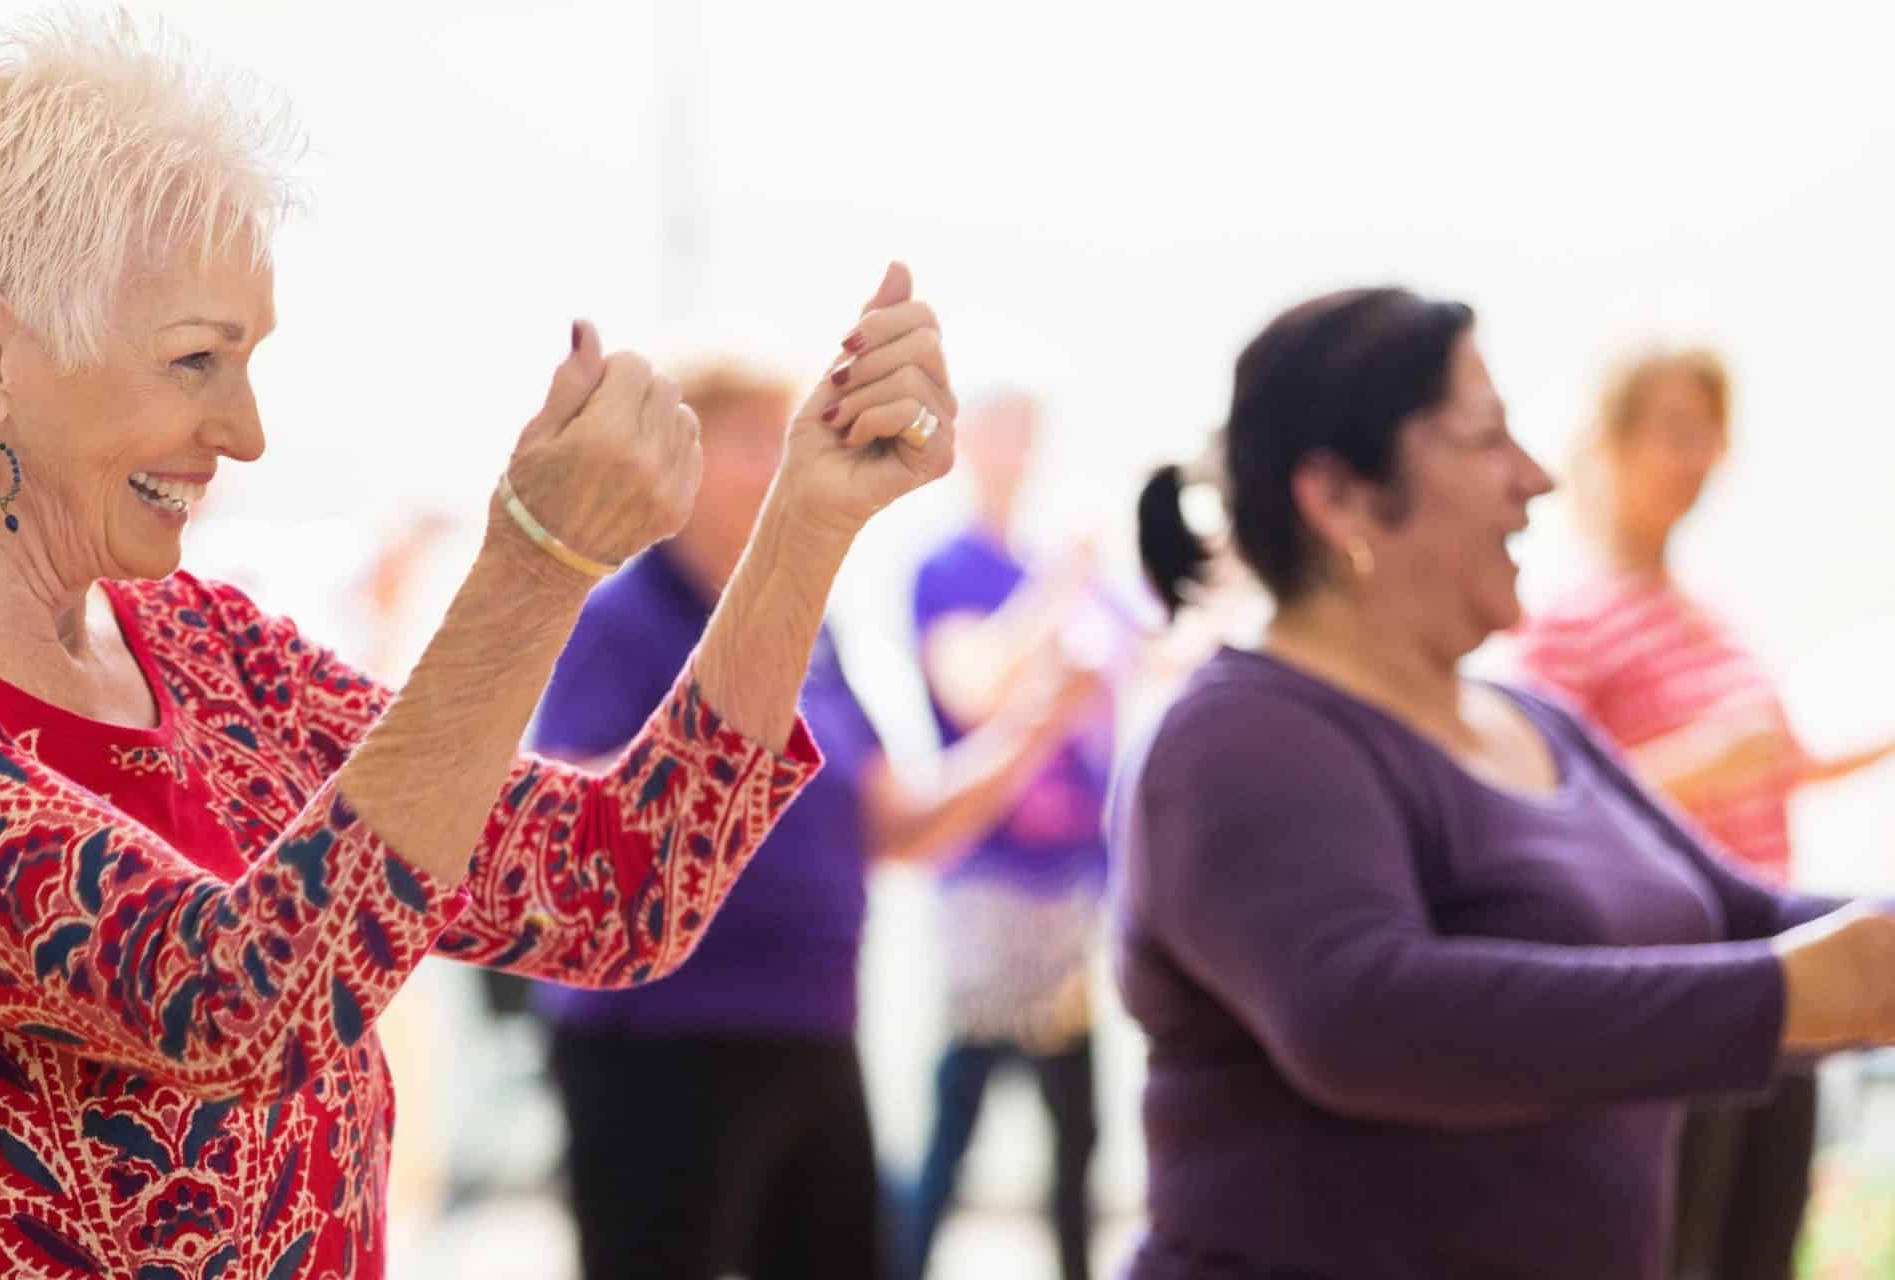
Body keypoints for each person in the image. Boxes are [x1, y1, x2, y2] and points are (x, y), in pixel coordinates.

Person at [0, 15, 961, 1280]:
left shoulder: (206, 647)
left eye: (245, 361)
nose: (244, 430)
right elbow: (239, 1006)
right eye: (195, 359)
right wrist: (532, 567)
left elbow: (614, 886)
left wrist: (806, 521)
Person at [1116, 287, 1895, 1279]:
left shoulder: (1537, 721)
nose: (1536, 478)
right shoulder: (1239, 738)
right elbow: (1364, 1016)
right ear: (1338, 496)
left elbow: (1743, 916)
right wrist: (1778, 997)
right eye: (1486, 438)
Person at [530, 357, 1105, 1280]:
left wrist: (1033, 727)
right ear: (677, 462)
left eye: (787, 440)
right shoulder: (619, 618)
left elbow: (896, 827)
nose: (782, 467)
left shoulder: (810, 630)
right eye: (752, 442)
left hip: (814, 1025)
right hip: (659, 1040)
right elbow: (566, 825)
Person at [1518, 344, 1895, 1280]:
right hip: (1679, 983)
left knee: (1762, 1244)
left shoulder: (1707, 616)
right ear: (1610, 442)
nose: (1696, 460)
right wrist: (1700, 763)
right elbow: (1532, 811)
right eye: (1674, 434)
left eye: (1708, 436)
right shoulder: (1567, 621)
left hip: (1778, 965)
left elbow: (1784, 764)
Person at [898, 386, 1148, 1280]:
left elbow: (1146, 662)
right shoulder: (947, 569)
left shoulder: (1073, 575)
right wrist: (1062, 584)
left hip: (1072, 885)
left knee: (1076, 1125)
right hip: (987, 881)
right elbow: (972, 687)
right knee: (961, 1105)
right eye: (1000, 429)